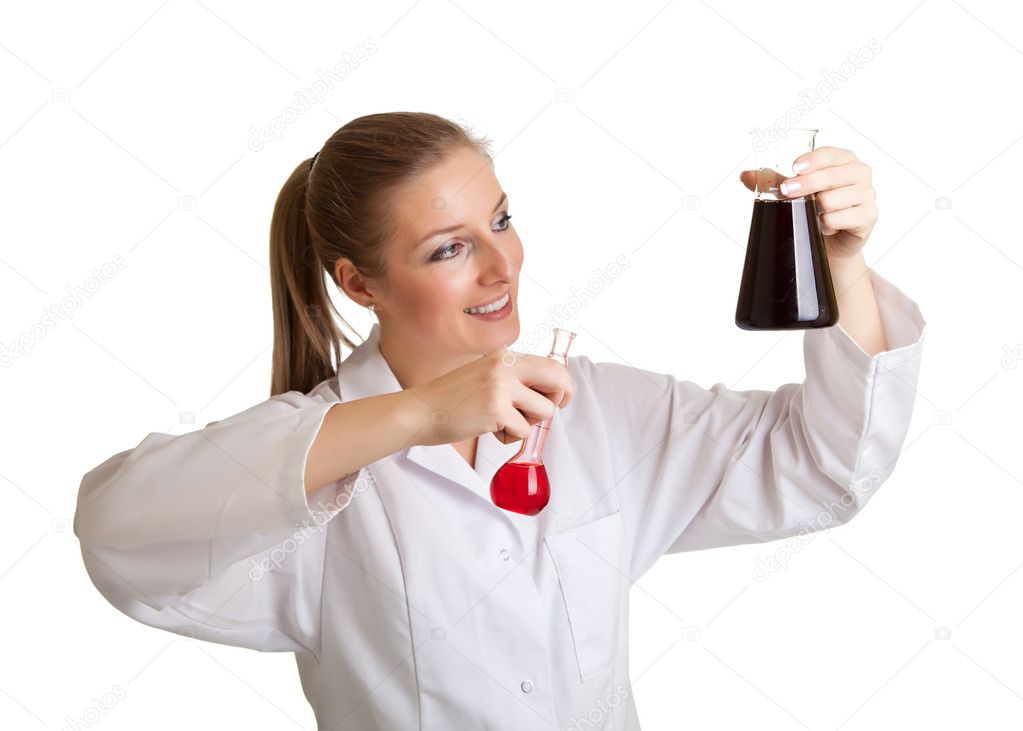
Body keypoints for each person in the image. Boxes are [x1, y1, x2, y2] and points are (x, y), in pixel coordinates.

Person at [73, 111, 926, 730]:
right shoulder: (310, 461)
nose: (500, 266)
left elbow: (824, 469)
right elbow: (118, 533)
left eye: (501, 221)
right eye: (447, 248)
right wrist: (411, 414)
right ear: (359, 283)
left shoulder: (599, 411)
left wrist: (840, 264)